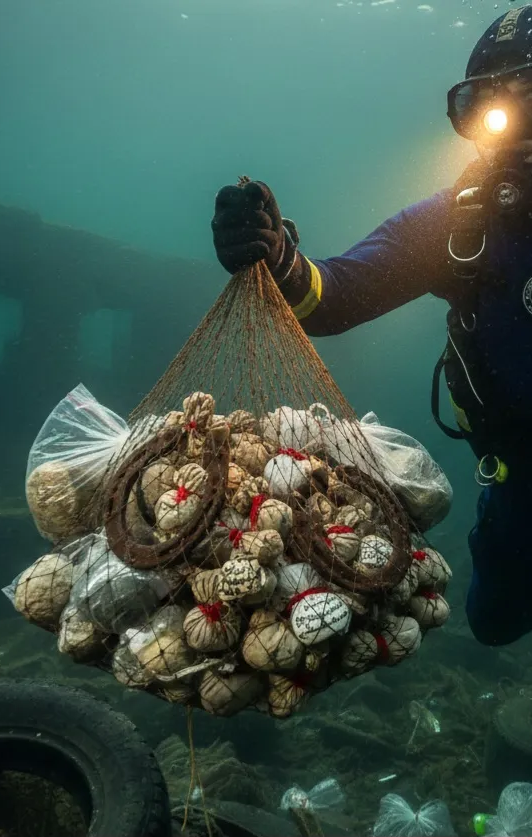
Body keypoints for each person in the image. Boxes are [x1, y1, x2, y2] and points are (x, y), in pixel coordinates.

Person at [211, 6, 532, 648]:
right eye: (489, 106)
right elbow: (335, 297)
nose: (513, 127)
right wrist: (278, 260)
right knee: (494, 621)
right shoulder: (460, 223)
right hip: (523, 473)